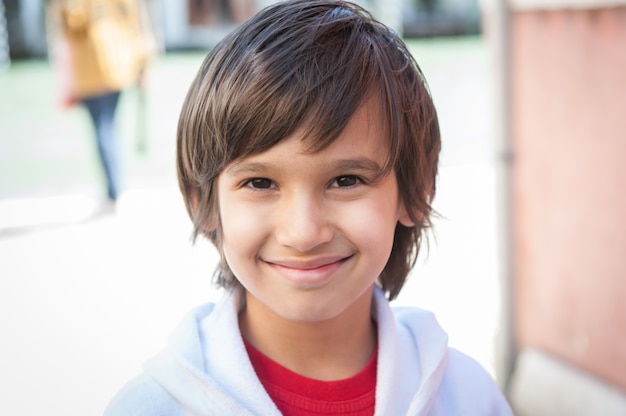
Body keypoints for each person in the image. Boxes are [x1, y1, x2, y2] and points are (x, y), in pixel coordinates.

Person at [105, 0, 513, 414]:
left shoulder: (466, 397)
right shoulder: (150, 407)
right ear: (202, 201)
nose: (302, 232)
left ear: (415, 193)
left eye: (346, 181)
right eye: (260, 183)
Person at [47, 0, 156, 208]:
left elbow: (70, 22)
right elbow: (137, 23)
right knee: (109, 128)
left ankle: (114, 192)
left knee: (103, 129)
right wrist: (144, 64)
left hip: (93, 70)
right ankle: (115, 189)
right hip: (121, 65)